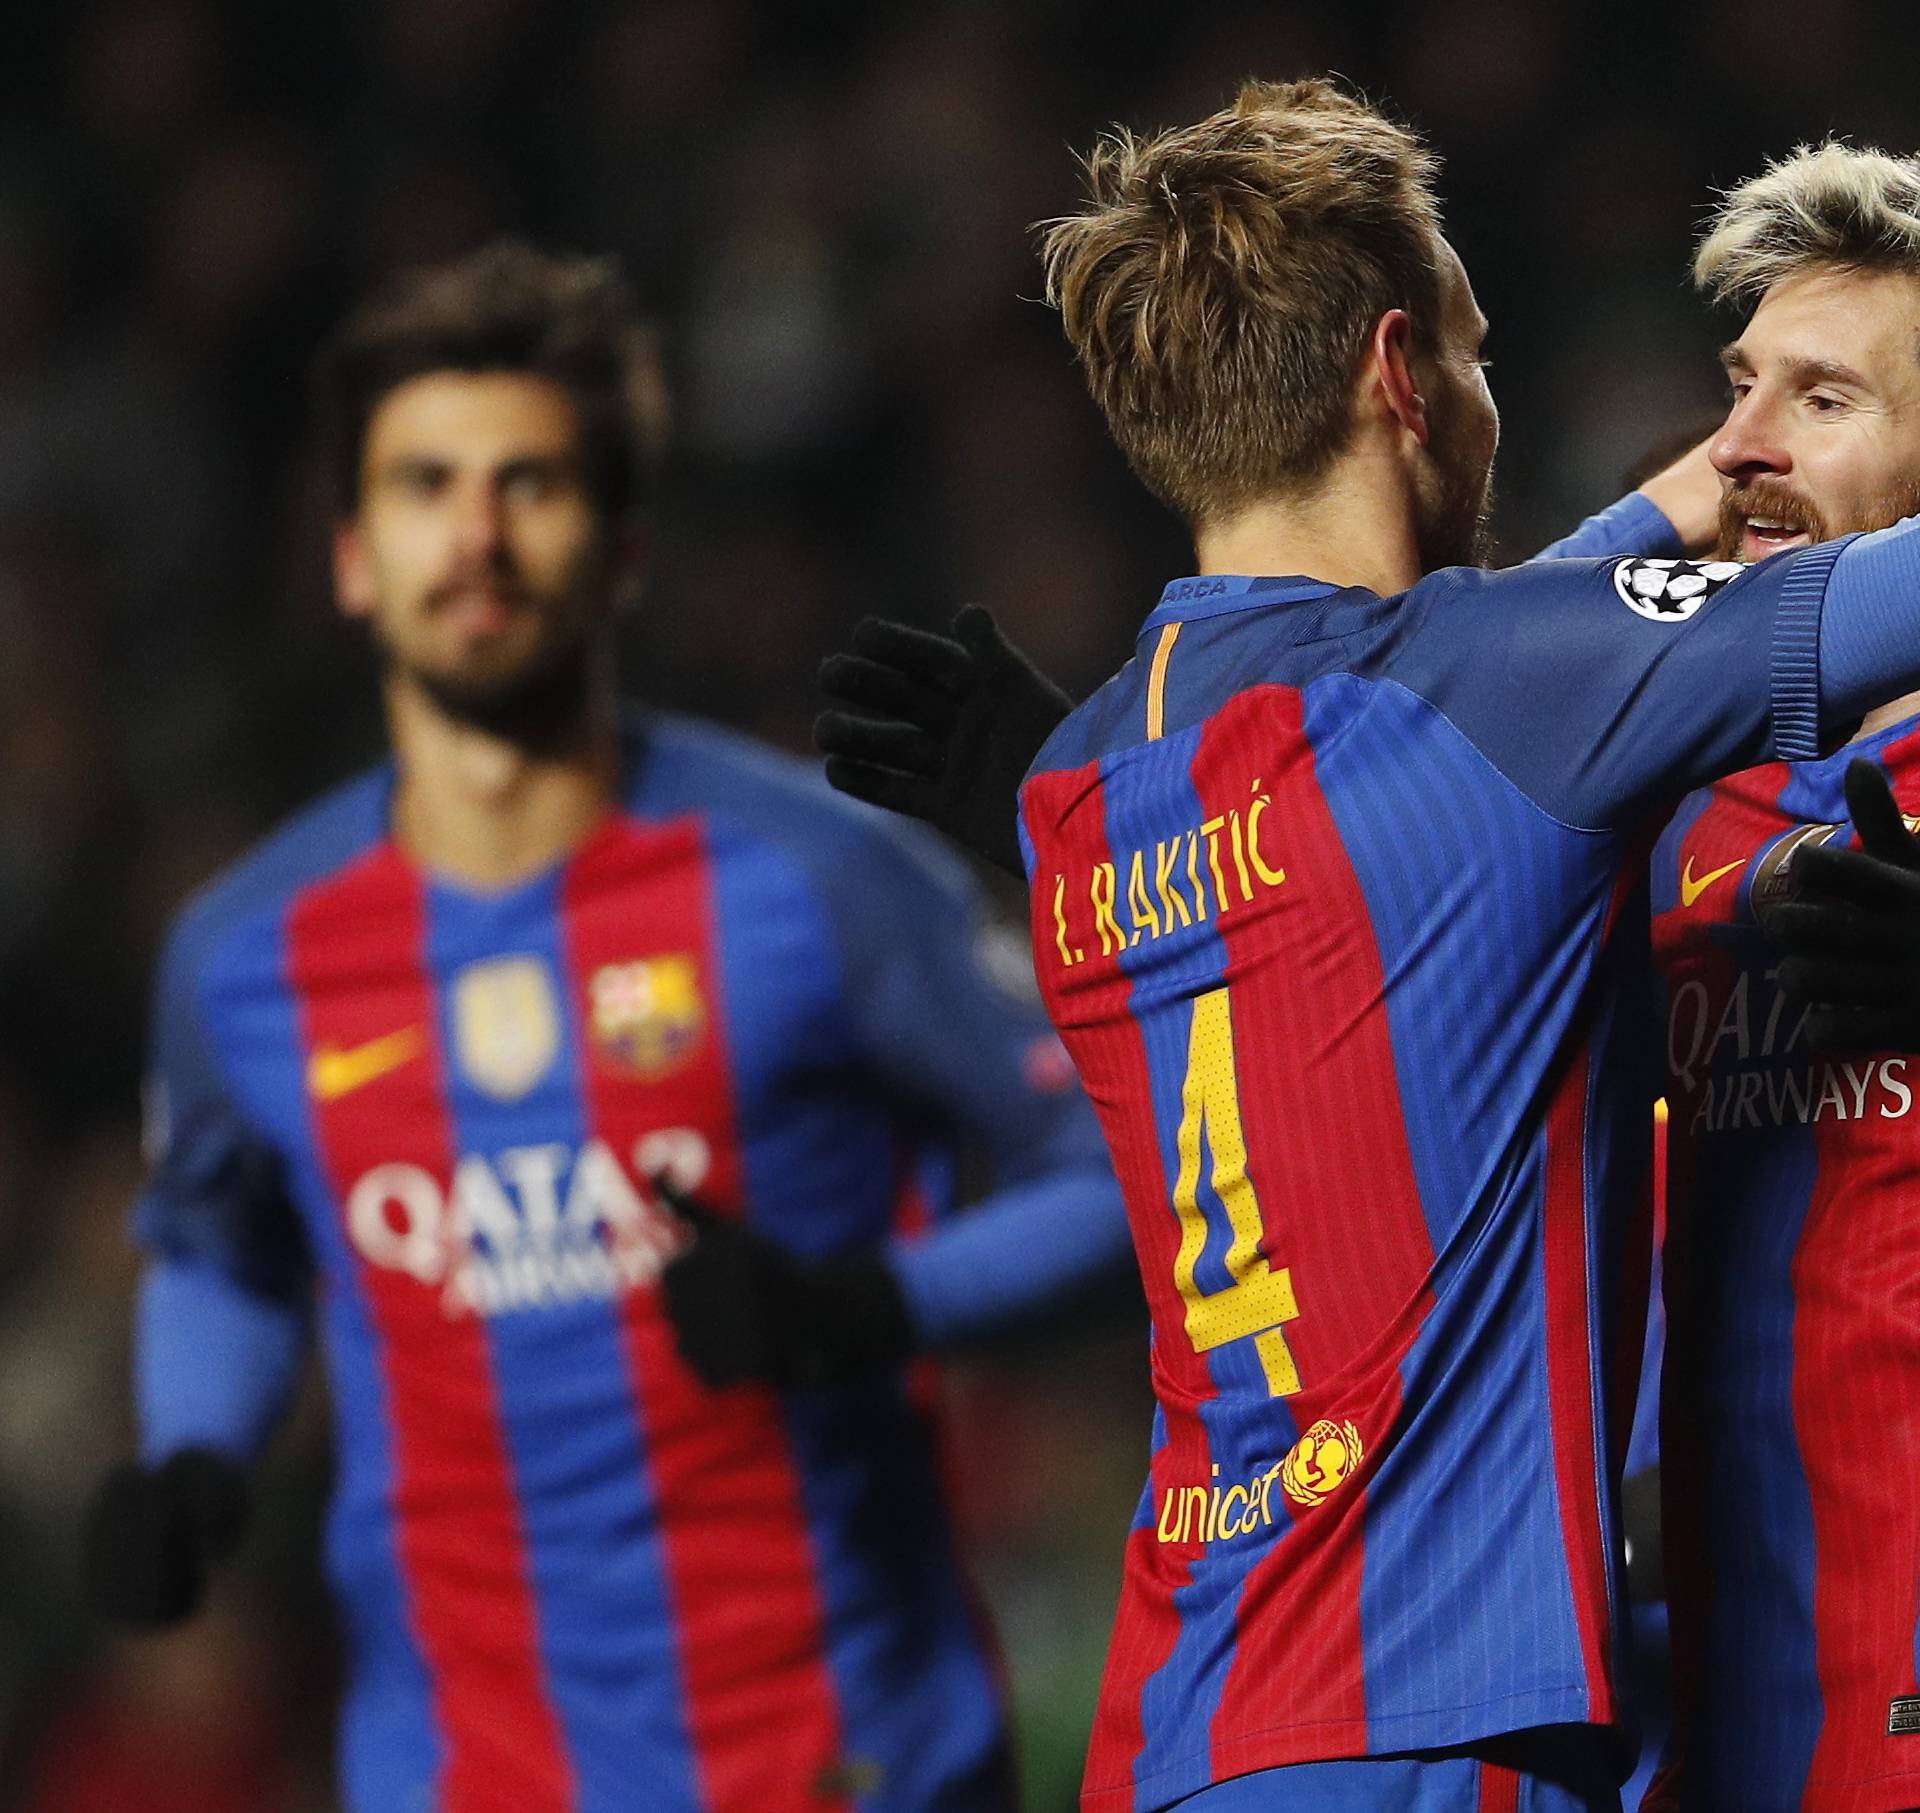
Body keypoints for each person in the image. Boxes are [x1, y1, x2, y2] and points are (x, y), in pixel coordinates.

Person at [815, 80, 1920, 1812]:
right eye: (1475, 357)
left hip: (1175, 1719)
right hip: (1426, 1707)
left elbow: (1441, 676)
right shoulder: (1517, 703)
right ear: (1404, 376)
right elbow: (1535, 664)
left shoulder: (1080, 792)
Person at [84, 239, 1136, 1813]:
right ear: (354, 554)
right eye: (426, 484)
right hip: (460, 1775)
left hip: (852, 1764)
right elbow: (221, 1243)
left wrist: (871, 1304)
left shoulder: (822, 876)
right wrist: (196, 1451)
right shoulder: (248, 955)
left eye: (533, 484)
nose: (478, 536)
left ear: (624, 546)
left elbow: (1123, 1161)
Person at [1537, 142, 1920, 1813]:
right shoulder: (1672, 805)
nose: (1742, 446)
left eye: (1822, 398)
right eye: (1736, 389)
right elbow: (1442, 700)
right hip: (1718, 1718)